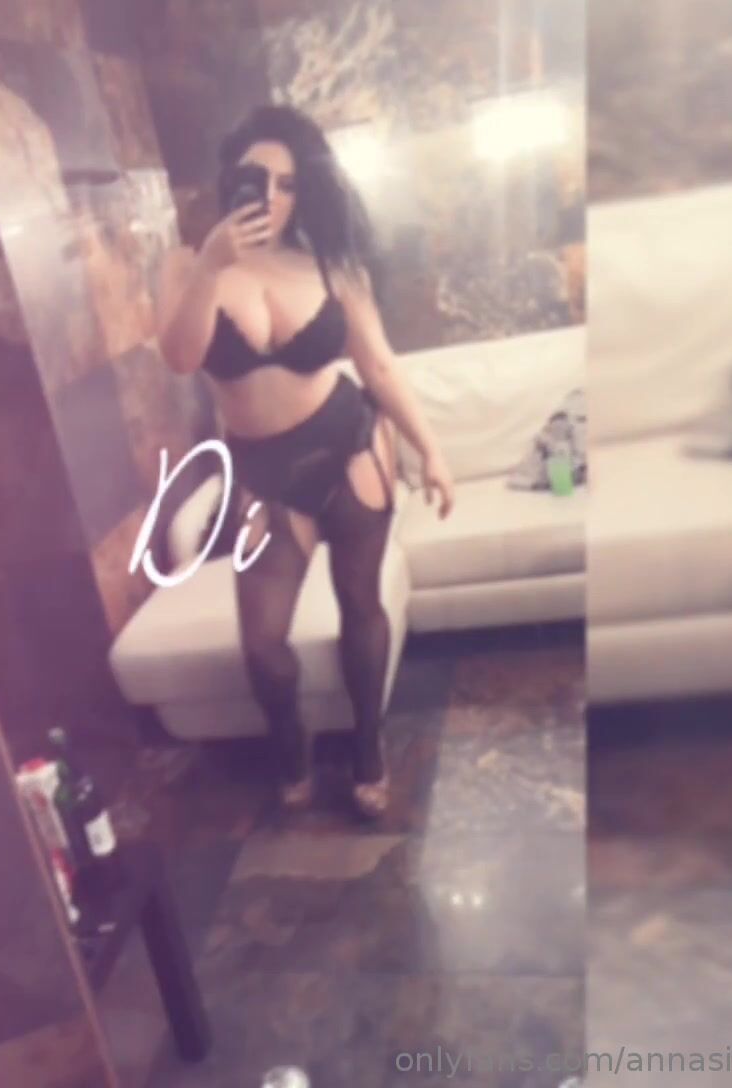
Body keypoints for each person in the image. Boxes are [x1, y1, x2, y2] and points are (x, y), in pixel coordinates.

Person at [157, 105, 453, 820]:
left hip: (348, 446)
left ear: (305, 191)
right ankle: (291, 744)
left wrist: (431, 449)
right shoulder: (185, 265)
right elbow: (181, 357)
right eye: (257, 178)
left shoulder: (330, 263)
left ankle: (367, 749)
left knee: (360, 607)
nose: (272, 197)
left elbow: (377, 366)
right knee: (262, 644)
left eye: (288, 184)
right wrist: (211, 266)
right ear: (230, 179)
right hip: (262, 475)